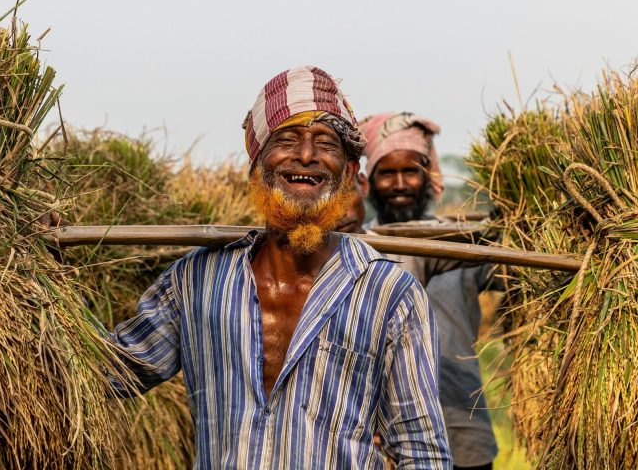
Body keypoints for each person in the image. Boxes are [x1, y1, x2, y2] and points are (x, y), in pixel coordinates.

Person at [113, 68, 452, 469]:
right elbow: (110, 373)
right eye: (287, 139)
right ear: (257, 164)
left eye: (325, 142)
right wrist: (35, 269)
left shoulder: (389, 292)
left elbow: (422, 451)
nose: (305, 155)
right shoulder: (195, 282)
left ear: (347, 173)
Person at [359, 112, 500, 470]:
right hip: (383, 432)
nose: (401, 183)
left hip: (461, 419)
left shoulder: (465, 246)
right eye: (387, 173)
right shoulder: (359, 247)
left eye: (411, 172)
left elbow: (514, 276)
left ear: (428, 176)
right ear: (369, 182)